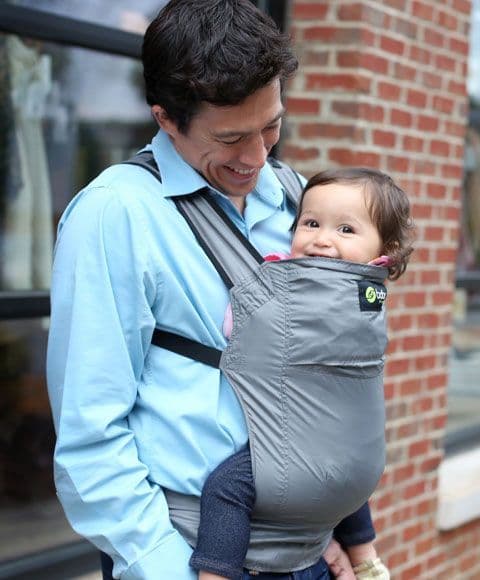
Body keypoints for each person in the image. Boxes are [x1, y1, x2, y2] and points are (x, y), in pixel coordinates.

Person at [47, 2, 389, 579]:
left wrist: (318, 531)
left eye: (271, 126)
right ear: (165, 118)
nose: (257, 157)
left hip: (308, 552)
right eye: (231, 137)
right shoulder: (115, 214)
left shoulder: (298, 200)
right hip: (190, 555)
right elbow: (91, 438)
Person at [192, 167, 414, 580]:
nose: (322, 239)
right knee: (340, 478)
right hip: (353, 455)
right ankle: (365, 558)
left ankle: (216, 573)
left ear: (385, 252)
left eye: (345, 229)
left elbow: (239, 326)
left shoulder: (287, 280)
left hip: (295, 452)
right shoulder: (371, 294)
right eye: (310, 223)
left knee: (227, 489)